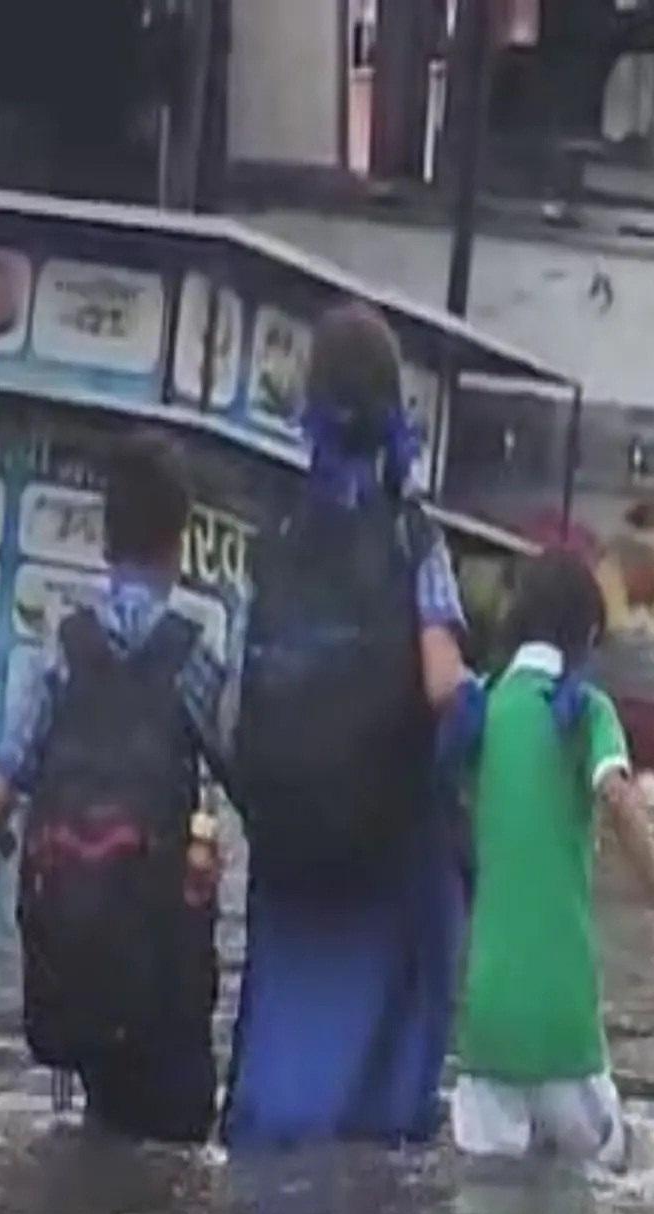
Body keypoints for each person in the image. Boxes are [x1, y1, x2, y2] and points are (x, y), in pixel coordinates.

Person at [223, 301, 474, 1149]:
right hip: (386, 844)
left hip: (288, 844)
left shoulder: (278, 529)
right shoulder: (413, 539)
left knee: (278, 1076)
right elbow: (443, 688)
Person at [0, 431, 229, 1145]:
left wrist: (4, 852)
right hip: (163, 968)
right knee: (173, 1147)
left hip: (72, 960)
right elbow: (246, 768)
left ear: (106, 539)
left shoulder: (61, 648)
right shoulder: (191, 657)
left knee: (100, 1132)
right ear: (180, 542)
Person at [450, 550, 654, 1167]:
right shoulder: (587, 713)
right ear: (587, 635)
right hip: (562, 1027)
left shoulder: (482, 706)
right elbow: (616, 796)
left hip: (486, 1024)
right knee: (619, 1176)